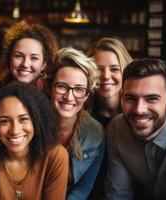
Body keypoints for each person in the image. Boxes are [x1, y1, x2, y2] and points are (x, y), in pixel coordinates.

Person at [105, 58, 166, 200]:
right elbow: (118, 194)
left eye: (151, 99)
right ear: (122, 98)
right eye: (130, 98)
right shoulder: (117, 128)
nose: (139, 110)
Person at [0, 82, 69, 200]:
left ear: (36, 121)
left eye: (23, 119)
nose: (15, 130)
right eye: (5, 121)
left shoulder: (56, 156)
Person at [47, 47, 105, 200]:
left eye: (79, 89)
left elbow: (83, 188)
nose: (69, 97)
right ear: (50, 87)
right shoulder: (31, 124)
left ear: (87, 95)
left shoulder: (96, 132)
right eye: (62, 86)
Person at [0, 20, 58, 91]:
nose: (25, 64)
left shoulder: (52, 95)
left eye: (34, 58)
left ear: (44, 64)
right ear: (9, 58)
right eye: (19, 56)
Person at [87, 37, 132, 127]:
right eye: (98, 69)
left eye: (114, 69)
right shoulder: (81, 113)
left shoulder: (135, 112)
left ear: (126, 72)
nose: (106, 76)